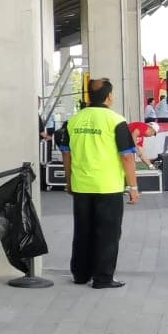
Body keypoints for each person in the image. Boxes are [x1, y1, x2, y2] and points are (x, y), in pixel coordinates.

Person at [56, 78, 140, 288]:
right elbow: (127, 157)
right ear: (109, 97)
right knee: (108, 233)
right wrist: (133, 187)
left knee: (83, 230)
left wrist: (68, 182)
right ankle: (103, 278)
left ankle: (80, 274)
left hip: (82, 186)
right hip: (108, 186)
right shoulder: (116, 121)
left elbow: (66, 155)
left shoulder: (73, 120)